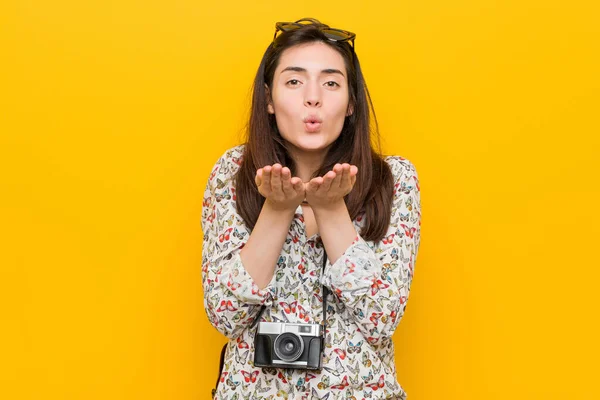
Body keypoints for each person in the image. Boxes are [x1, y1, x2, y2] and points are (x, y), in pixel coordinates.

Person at [201, 17, 421, 400]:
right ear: (268, 99)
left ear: (351, 103)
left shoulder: (393, 179)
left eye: (331, 82)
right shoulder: (234, 173)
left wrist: (332, 209)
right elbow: (225, 315)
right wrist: (277, 210)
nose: (313, 97)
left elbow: (382, 319)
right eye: (294, 81)